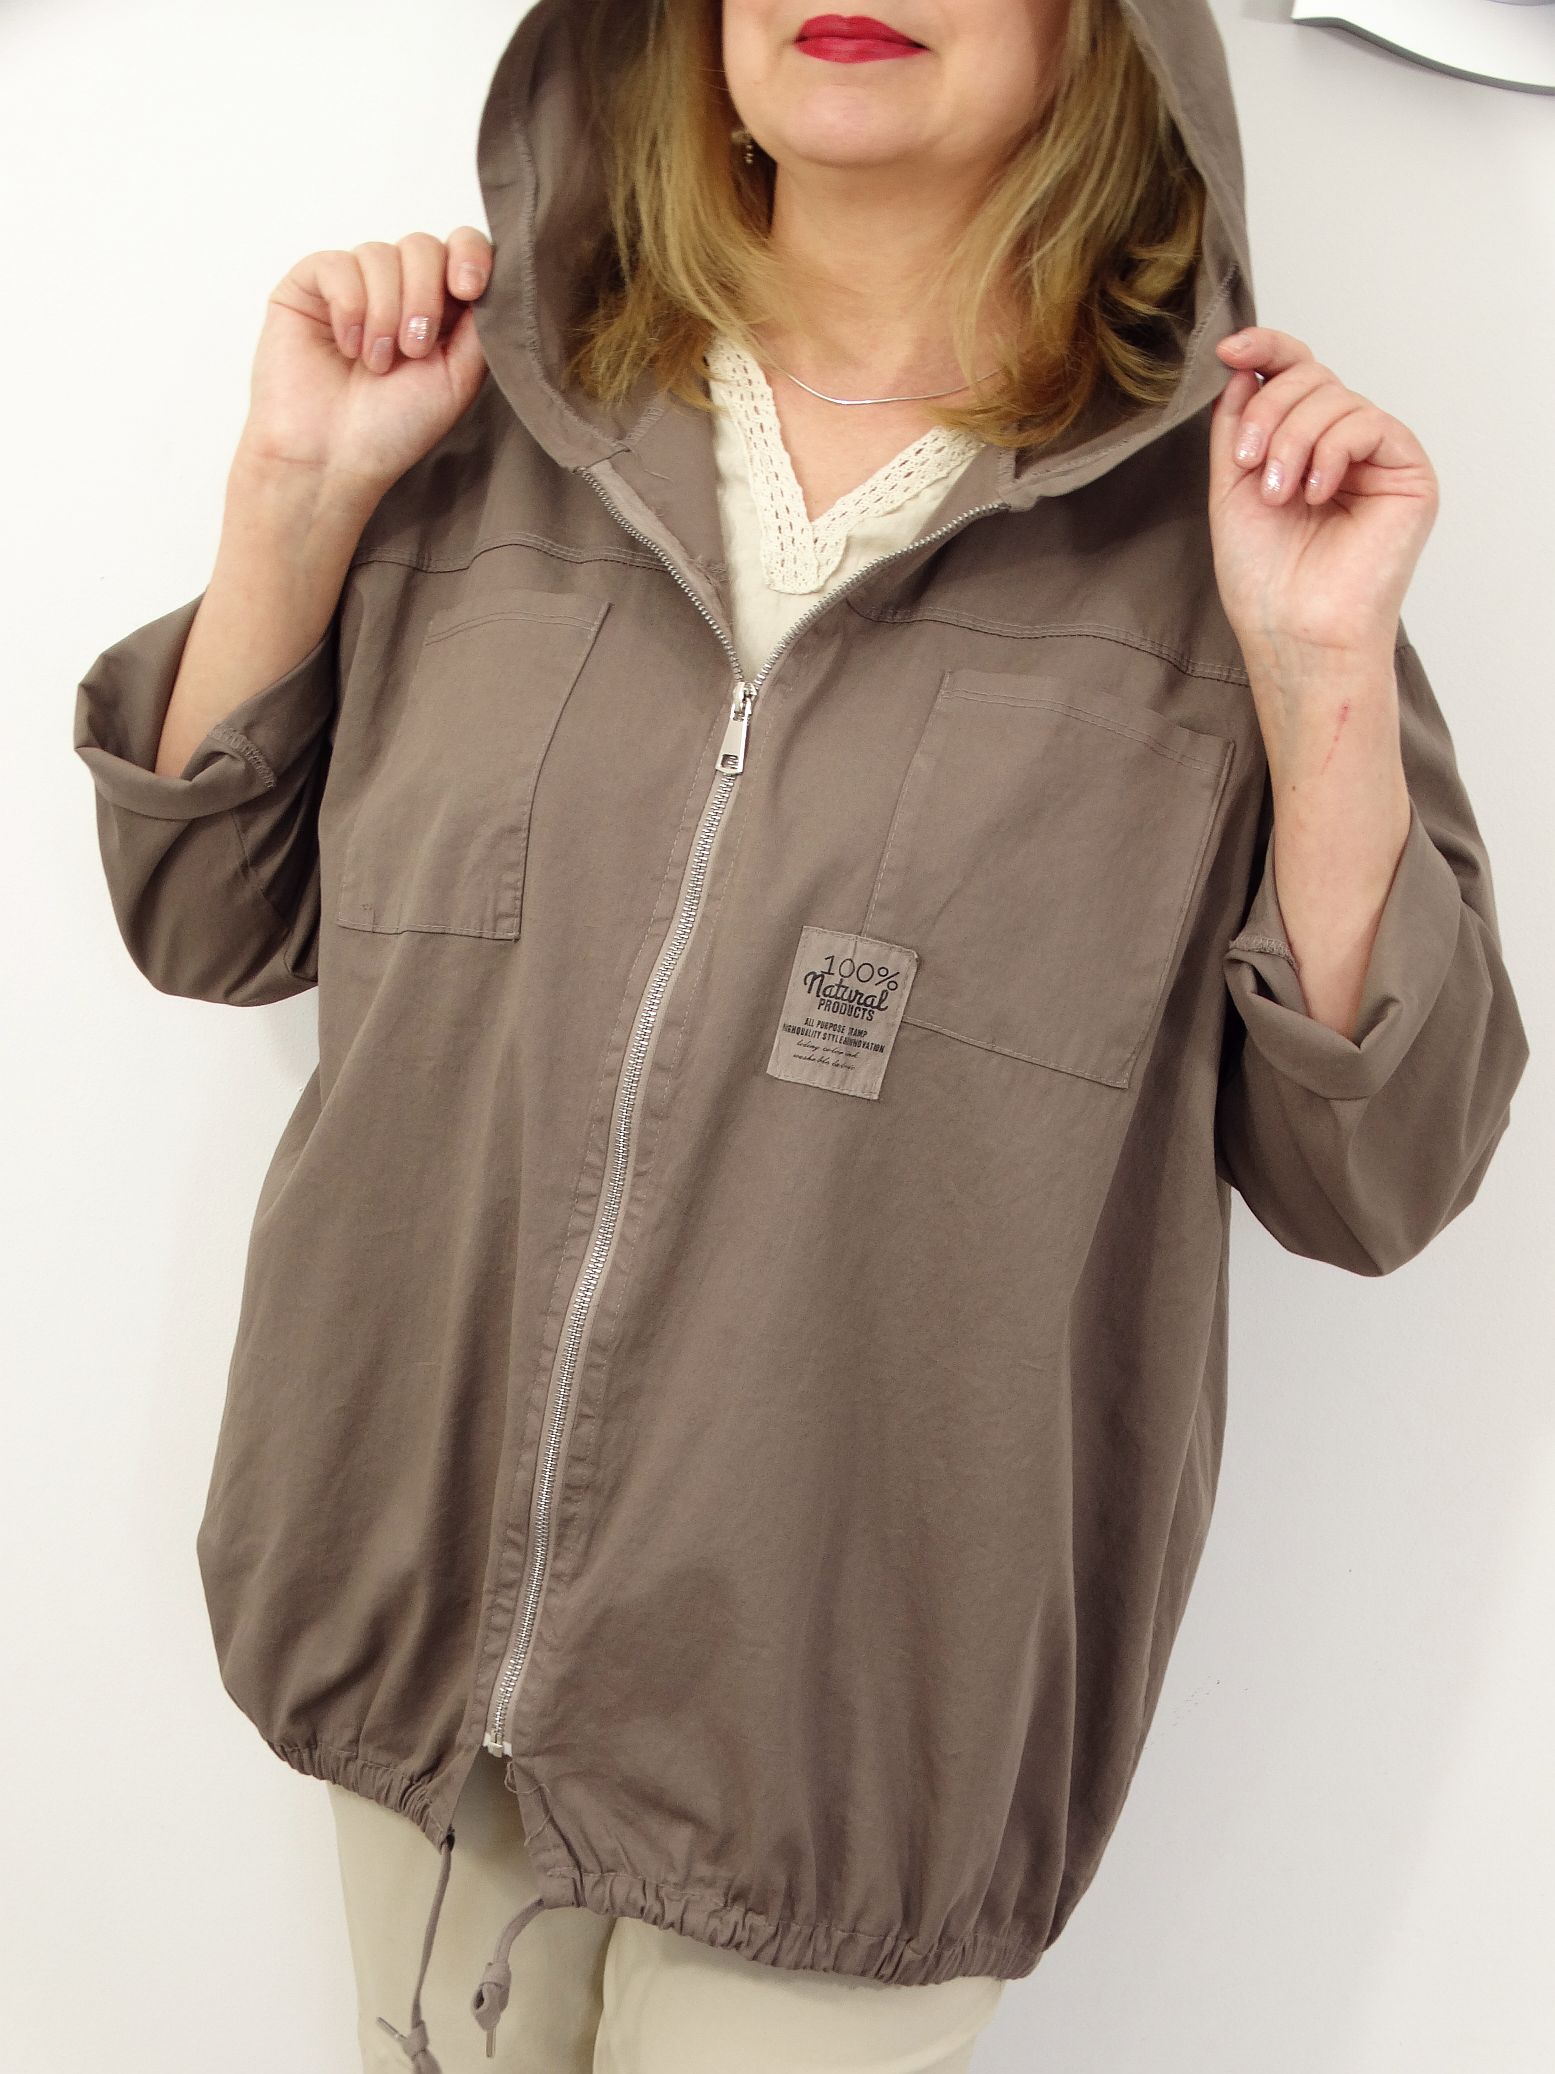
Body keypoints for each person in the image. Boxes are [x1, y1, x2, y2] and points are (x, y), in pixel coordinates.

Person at [72, 1, 1530, 2070]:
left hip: (845, 1764)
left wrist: (1320, 681)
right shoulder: (492, 425)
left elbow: (1373, 1172)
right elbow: (206, 920)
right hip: (406, 1680)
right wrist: (294, 494)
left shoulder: (1224, 538)